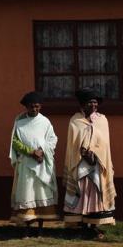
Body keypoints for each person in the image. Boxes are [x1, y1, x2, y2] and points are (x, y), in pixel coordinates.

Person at [63, 88, 116, 239]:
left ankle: (94, 226)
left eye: (95, 102)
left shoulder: (102, 120)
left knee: (95, 194)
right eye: (90, 102)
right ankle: (82, 226)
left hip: (97, 164)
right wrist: (83, 153)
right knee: (81, 193)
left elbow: (105, 143)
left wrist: (94, 154)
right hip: (80, 164)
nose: (93, 105)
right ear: (82, 104)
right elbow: (72, 144)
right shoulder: (75, 120)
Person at [9, 91, 58, 237]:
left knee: (41, 193)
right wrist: (30, 152)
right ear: (26, 107)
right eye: (31, 106)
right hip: (26, 164)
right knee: (27, 193)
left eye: (37, 106)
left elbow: (52, 139)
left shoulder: (45, 122)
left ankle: (40, 229)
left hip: (42, 163)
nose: (34, 109)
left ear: (40, 106)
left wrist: (42, 151)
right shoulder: (19, 122)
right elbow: (15, 142)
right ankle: (26, 229)